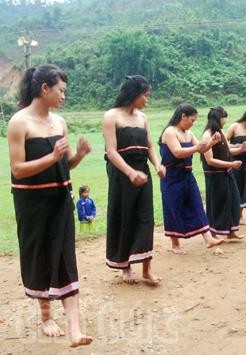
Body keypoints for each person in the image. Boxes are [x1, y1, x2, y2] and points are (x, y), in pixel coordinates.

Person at [7, 64, 92, 347]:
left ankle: (75, 330)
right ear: (45, 89)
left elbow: (63, 167)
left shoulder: (60, 122)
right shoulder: (19, 122)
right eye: (61, 91)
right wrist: (52, 156)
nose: (63, 97)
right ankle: (46, 316)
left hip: (59, 200)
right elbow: (18, 170)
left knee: (66, 256)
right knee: (39, 256)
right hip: (32, 204)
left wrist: (77, 155)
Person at [103, 75, 163, 285]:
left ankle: (147, 269)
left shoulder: (142, 118)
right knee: (124, 217)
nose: (147, 100)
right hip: (121, 174)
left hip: (142, 171)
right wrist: (129, 172)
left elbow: (149, 147)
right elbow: (111, 151)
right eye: (145, 95)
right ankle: (125, 266)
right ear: (134, 94)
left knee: (146, 218)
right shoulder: (112, 116)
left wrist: (157, 165)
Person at [159, 103, 224, 255]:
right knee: (173, 208)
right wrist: (198, 147)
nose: (192, 123)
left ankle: (208, 239)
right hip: (172, 177)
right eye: (192, 120)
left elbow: (202, 149)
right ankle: (175, 244)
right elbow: (177, 152)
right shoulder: (170, 132)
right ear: (183, 116)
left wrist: (211, 143)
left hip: (187, 174)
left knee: (197, 203)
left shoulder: (189, 133)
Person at [201, 107, 246, 240]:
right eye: (224, 117)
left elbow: (227, 151)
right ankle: (213, 233)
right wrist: (231, 164)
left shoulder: (220, 132)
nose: (225, 121)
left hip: (226, 172)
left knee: (233, 199)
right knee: (216, 202)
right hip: (214, 175)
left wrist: (241, 149)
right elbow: (210, 160)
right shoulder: (207, 135)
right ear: (219, 118)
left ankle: (231, 231)